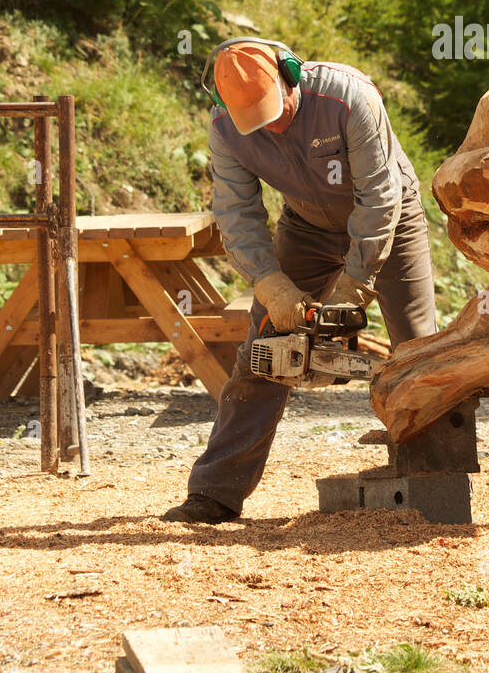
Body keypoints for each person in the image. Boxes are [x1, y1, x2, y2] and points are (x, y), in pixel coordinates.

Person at [161, 38, 437, 523]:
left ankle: (436, 475)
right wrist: (269, 283)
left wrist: (357, 282)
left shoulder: (349, 98)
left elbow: (378, 198)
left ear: (291, 75)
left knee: (419, 348)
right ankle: (215, 493)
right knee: (266, 351)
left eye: (276, 111)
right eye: (259, 121)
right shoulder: (226, 128)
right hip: (307, 224)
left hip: (389, 217)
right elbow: (236, 213)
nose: (274, 126)